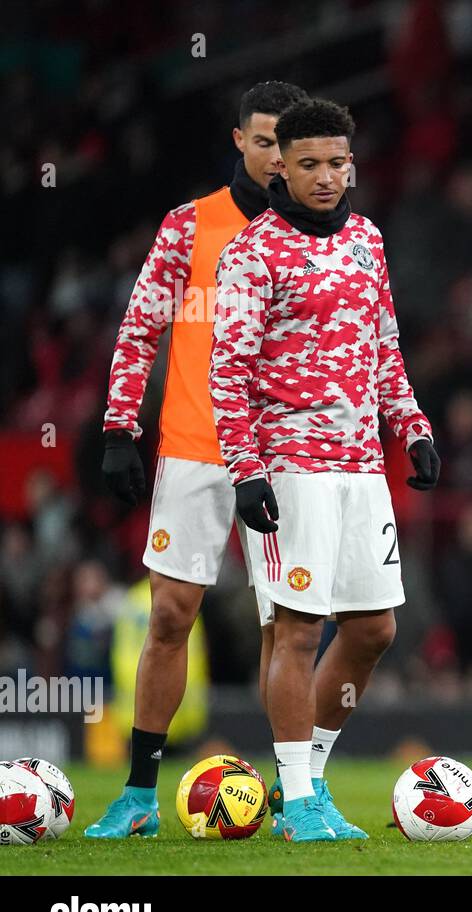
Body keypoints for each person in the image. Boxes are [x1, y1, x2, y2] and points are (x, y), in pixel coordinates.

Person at [209, 98, 438, 841]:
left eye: (337, 162)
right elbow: (229, 368)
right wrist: (246, 470)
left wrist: (414, 427)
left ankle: (307, 774)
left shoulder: (368, 240)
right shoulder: (252, 253)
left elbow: (386, 350)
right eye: (309, 163)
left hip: (362, 464)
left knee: (373, 629)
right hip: (290, 466)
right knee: (298, 630)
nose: (326, 176)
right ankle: (303, 801)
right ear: (282, 166)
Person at [87, 81, 308, 839]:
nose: (277, 157)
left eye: (288, 142)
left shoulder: (320, 232)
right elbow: (141, 325)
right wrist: (121, 428)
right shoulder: (191, 225)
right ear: (240, 143)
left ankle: (296, 795)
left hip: (284, 455)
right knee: (170, 616)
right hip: (193, 447)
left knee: (288, 622)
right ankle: (140, 793)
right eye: (264, 141)